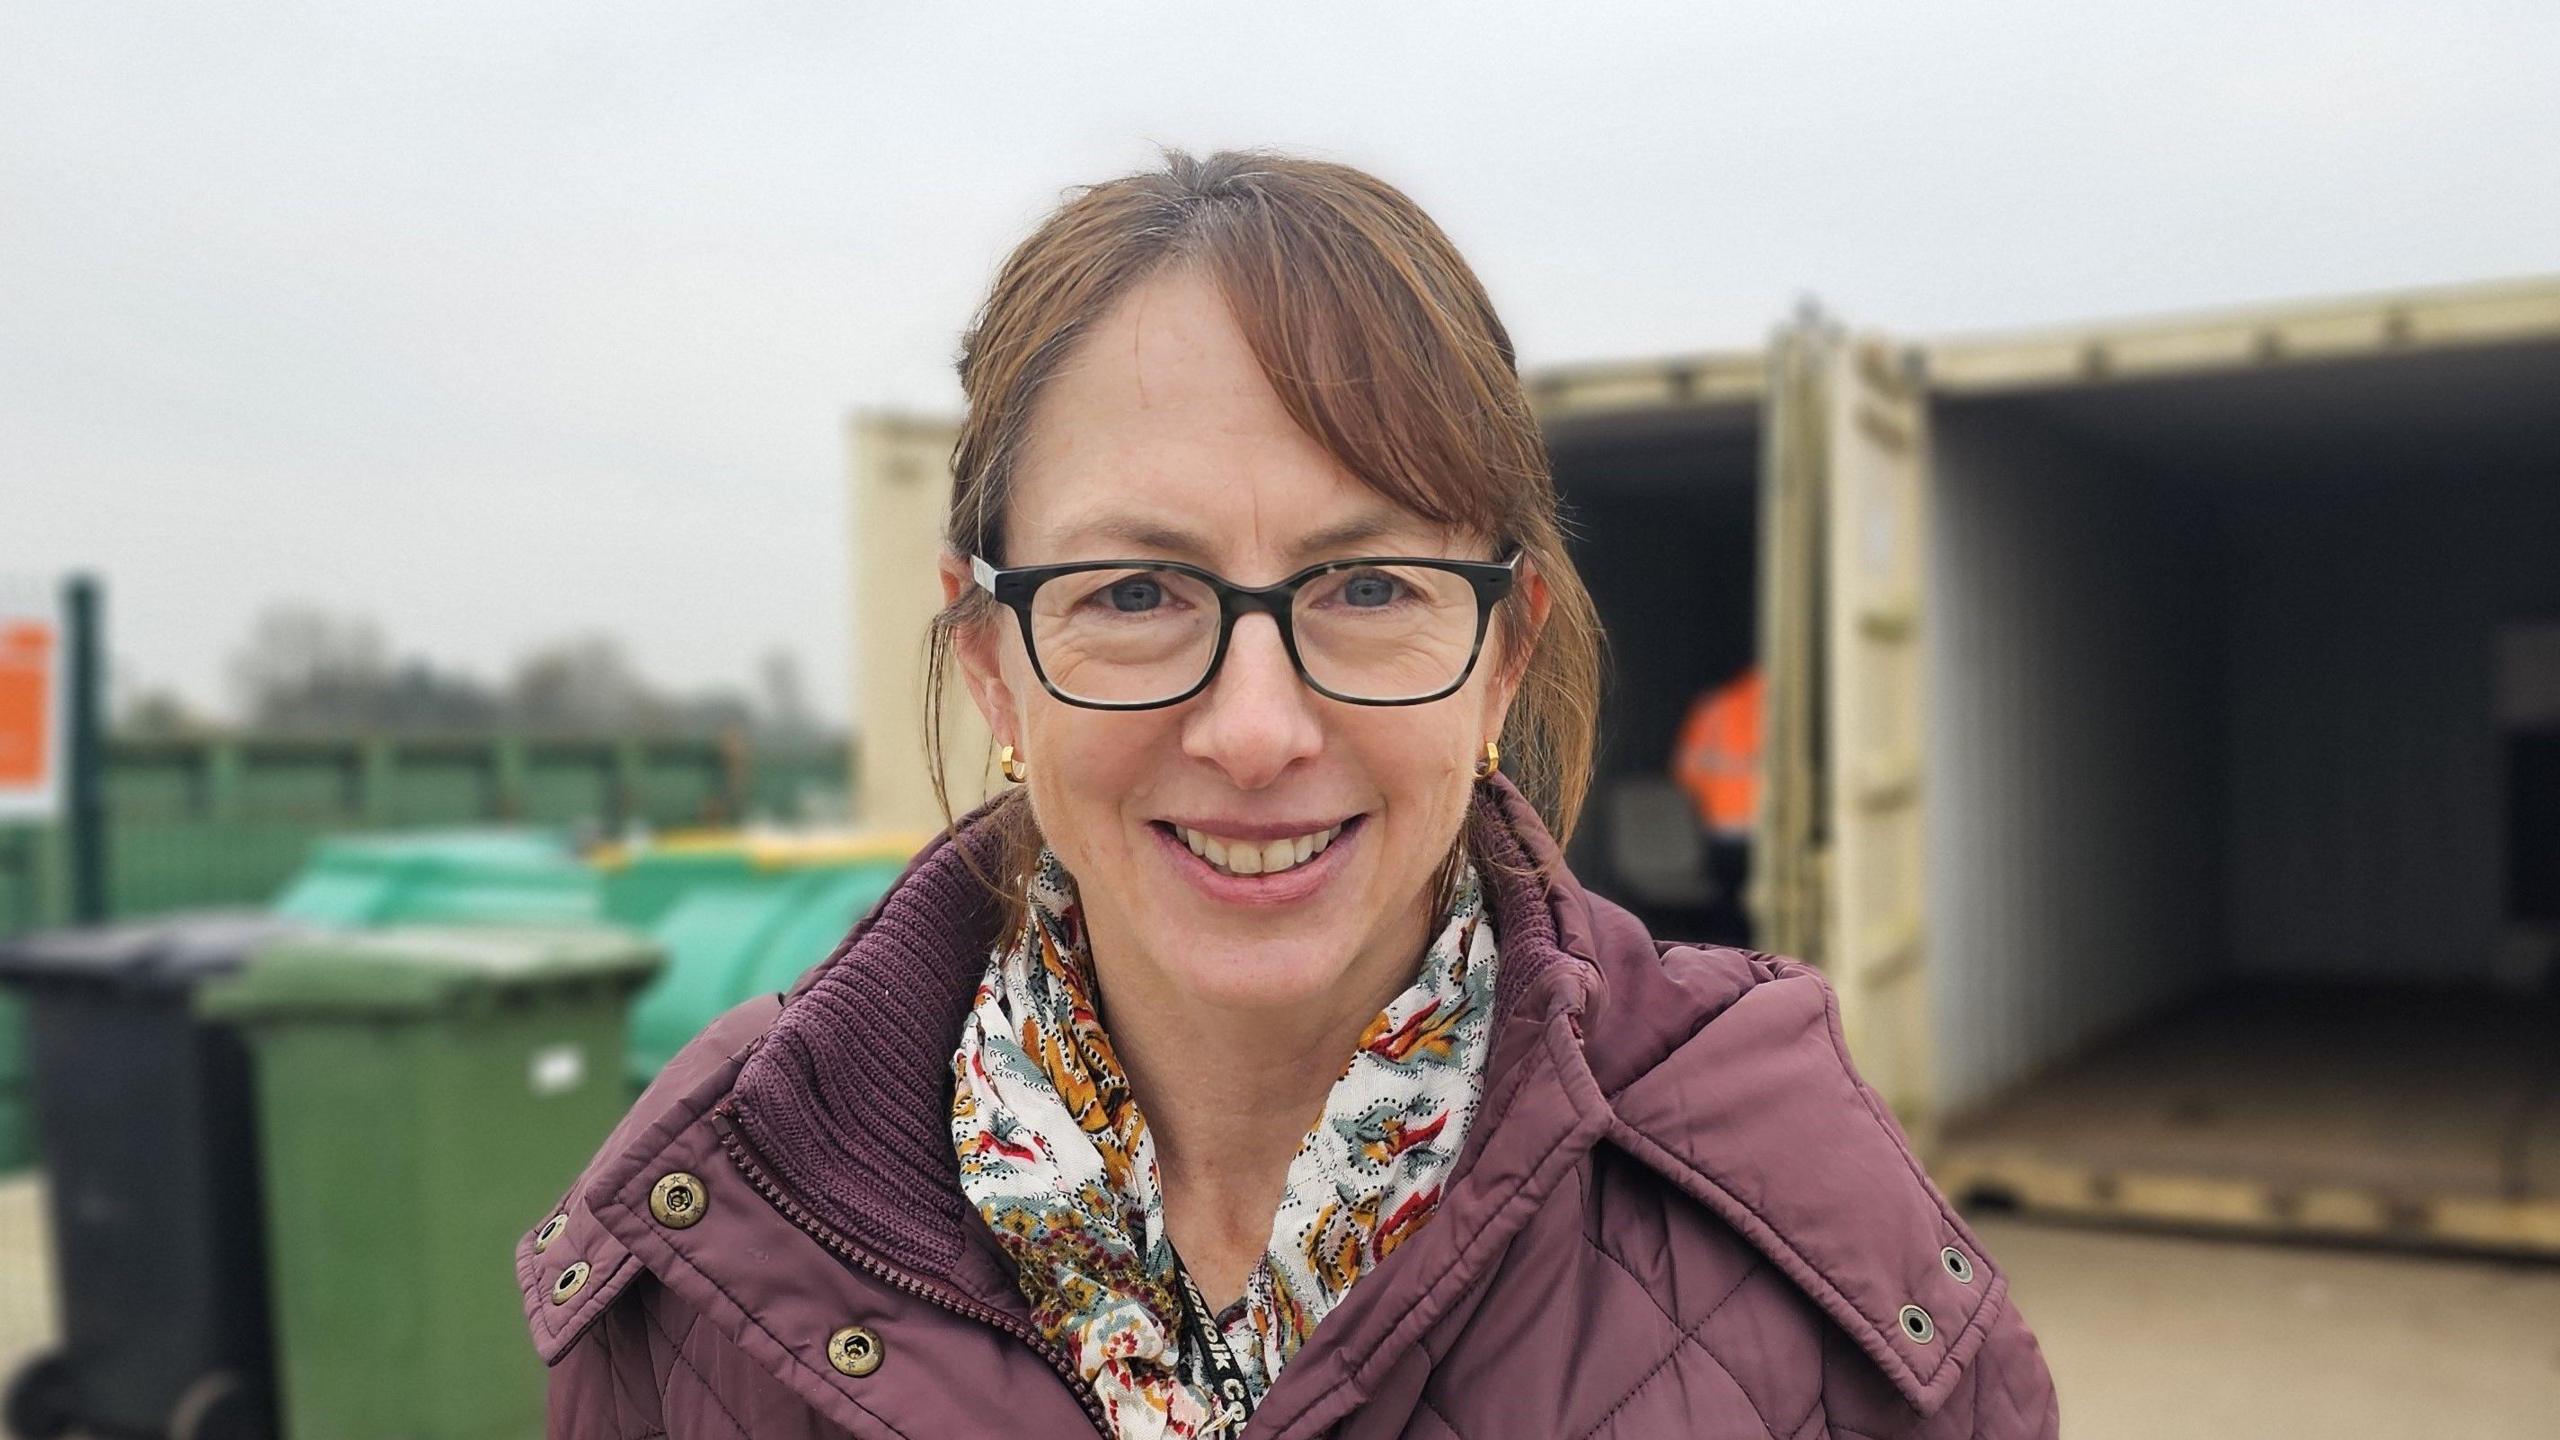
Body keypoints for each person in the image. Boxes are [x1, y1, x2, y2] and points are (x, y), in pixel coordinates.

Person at [519, 149, 2059, 1439]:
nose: (1254, 731)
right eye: (1134, 592)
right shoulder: (703, 1241)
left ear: (1501, 655)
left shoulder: (1814, 1248)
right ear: (992, 660)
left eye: (1370, 583)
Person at [1673, 662, 1763, 941]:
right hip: (1768, 832)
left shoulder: (1714, 707)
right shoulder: (1786, 710)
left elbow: (1685, 771)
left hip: (1722, 827)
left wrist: (1714, 797)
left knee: (1727, 906)